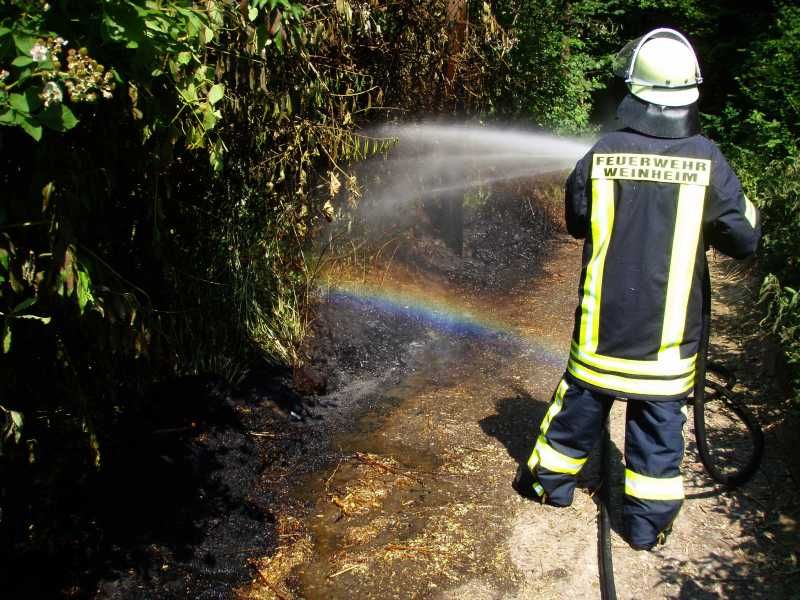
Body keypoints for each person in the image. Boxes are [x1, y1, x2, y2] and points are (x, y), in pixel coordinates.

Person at [514, 28, 761, 551]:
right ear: (691, 92)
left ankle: (548, 484)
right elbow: (743, 239)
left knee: (579, 405)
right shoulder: (708, 160)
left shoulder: (602, 153)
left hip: (601, 330)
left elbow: (576, 221)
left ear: (635, 90)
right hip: (667, 344)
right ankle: (646, 527)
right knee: (657, 431)